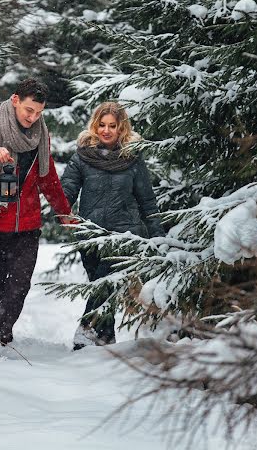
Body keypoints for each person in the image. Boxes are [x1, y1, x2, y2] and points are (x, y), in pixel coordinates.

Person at [0, 78, 72, 348]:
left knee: (18, 287)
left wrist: (63, 212)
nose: (33, 117)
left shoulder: (40, 133)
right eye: (29, 110)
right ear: (16, 100)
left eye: (39, 112)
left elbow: (48, 176)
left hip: (27, 225)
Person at [61, 101, 164, 350]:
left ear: (121, 129)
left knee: (104, 283)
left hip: (124, 234)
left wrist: (157, 234)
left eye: (112, 126)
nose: (106, 131)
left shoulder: (132, 159)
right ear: (95, 126)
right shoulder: (83, 157)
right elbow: (67, 188)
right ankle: (106, 340)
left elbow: (147, 200)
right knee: (101, 287)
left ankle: (85, 332)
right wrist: (63, 210)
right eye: (102, 125)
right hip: (90, 235)